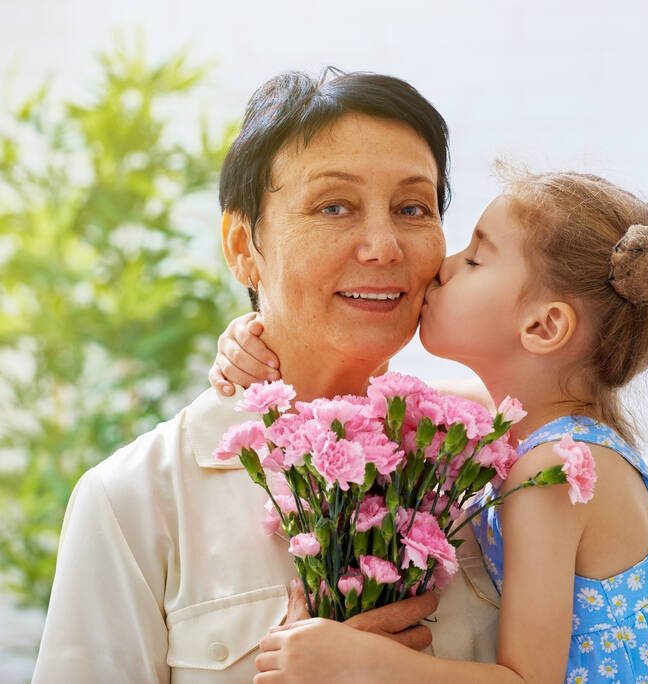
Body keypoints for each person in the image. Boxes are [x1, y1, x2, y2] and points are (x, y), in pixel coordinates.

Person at [32, 69, 499, 684]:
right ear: (241, 246)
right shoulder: (135, 500)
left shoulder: (487, 466)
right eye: (335, 206)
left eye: (412, 208)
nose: (384, 246)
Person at [212, 169, 648, 683]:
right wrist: (251, 336)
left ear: (543, 326)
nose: (443, 266)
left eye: (476, 258)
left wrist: (360, 661)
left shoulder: (554, 472)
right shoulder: (530, 427)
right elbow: (360, 384)